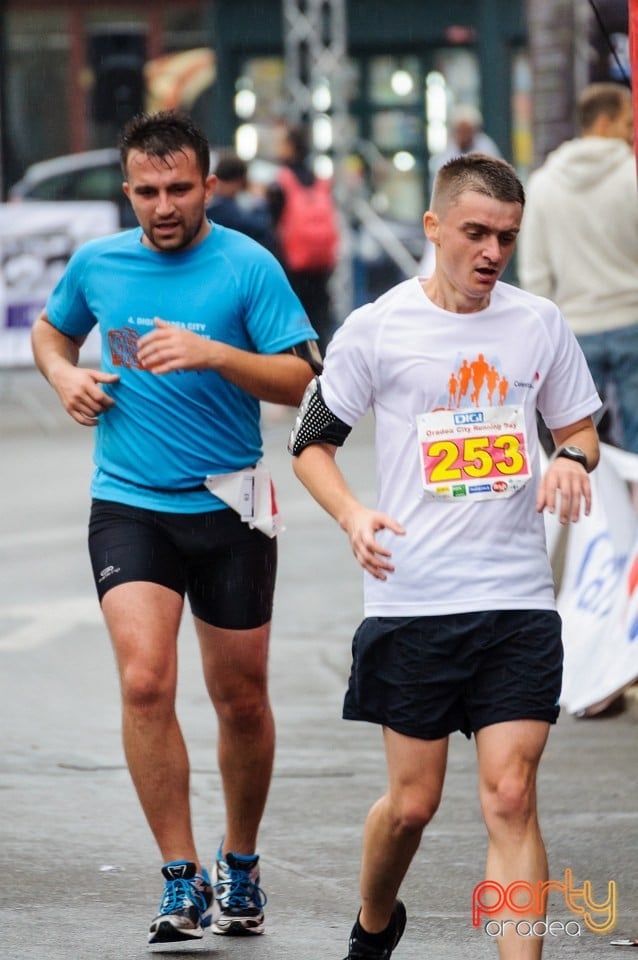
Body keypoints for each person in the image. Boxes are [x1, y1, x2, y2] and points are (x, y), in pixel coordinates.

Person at [289, 154, 601, 960]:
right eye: (475, 233)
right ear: (434, 229)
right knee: (413, 805)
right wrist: (354, 514)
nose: (492, 252)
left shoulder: (539, 324)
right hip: (413, 600)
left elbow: (579, 429)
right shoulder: (377, 326)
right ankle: (375, 920)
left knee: (510, 793)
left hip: (517, 599)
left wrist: (570, 459)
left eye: (506, 236)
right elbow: (311, 444)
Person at [30, 110, 321, 946]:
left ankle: (242, 861)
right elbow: (54, 332)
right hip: (130, 503)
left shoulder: (246, 266)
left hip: (229, 506)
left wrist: (215, 356)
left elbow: (304, 378)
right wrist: (62, 377)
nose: (164, 205)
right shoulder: (98, 264)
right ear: (128, 191)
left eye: (180, 189)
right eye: (148, 191)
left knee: (240, 700)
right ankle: (181, 877)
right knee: (145, 684)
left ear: (209, 187)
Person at [518, 81, 638, 453]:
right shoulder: (633, 175)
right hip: (633, 322)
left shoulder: (542, 184)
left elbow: (534, 271)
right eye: (628, 123)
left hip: (574, 331)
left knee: (575, 443)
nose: (632, 133)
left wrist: (544, 335)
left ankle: (590, 511)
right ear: (604, 123)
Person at [267, 122, 340, 356]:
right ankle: (323, 364)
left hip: (292, 263)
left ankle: (300, 367)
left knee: (295, 318)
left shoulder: (282, 181)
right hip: (321, 263)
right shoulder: (319, 180)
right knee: (320, 317)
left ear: (290, 147)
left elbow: (272, 222)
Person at [207, 150, 277, 253]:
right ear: (238, 181)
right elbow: (260, 227)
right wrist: (260, 200)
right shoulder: (227, 210)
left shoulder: (209, 204)